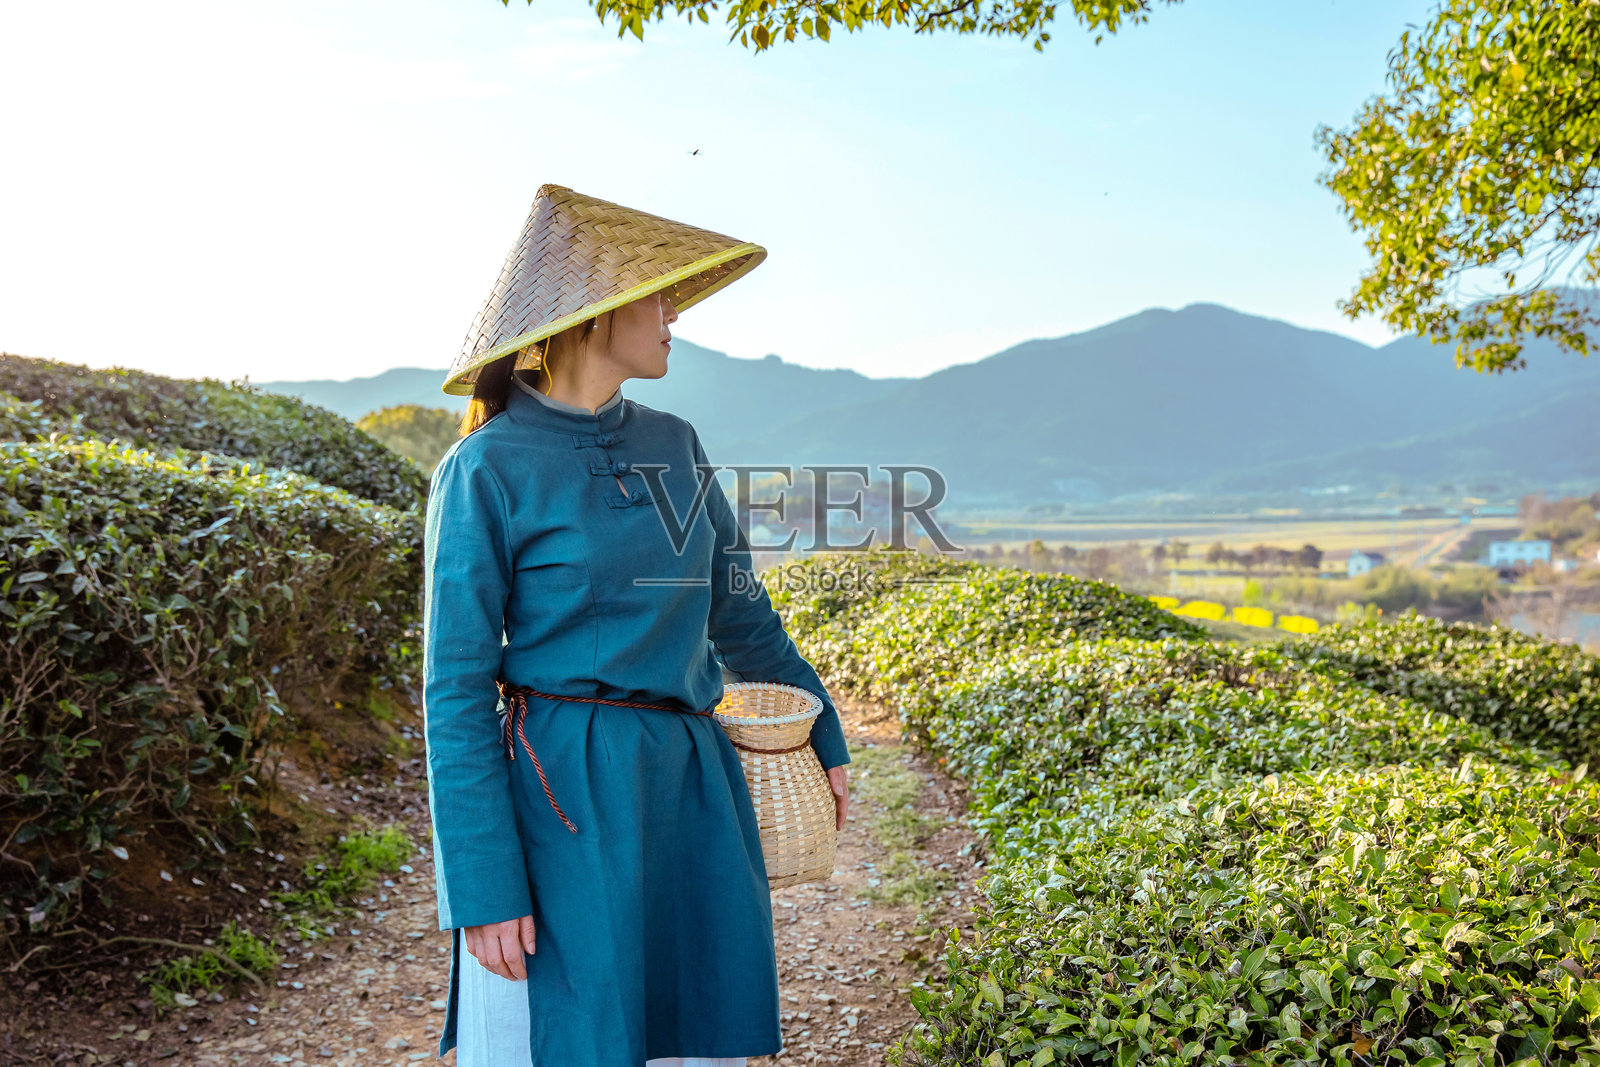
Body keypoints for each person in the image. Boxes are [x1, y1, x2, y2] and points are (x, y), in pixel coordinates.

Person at [423, 184, 851, 1066]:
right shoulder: (484, 467)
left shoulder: (675, 442)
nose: (673, 318)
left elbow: (740, 609)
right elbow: (455, 686)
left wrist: (826, 733)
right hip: (562, 792)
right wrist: (482, 880)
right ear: (591, 311)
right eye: (660, 297)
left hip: (692, 782)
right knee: (568, 1035)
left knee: (695, 1029)